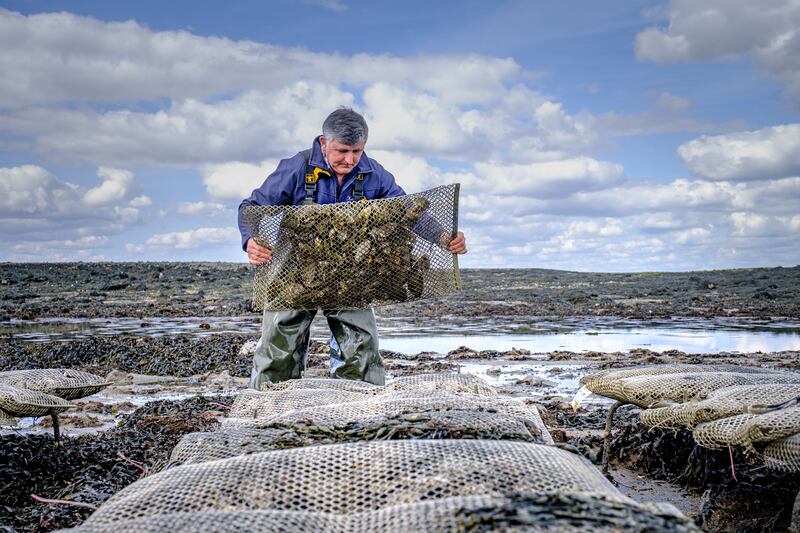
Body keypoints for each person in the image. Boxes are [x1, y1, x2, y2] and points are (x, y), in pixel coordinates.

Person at [238, 108, 467, 389]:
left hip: (348, 274)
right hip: (293, 273)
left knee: (360, 347)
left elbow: (408, 211)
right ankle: (267, 403)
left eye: (357, 151)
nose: (349, 160)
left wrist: (443, 237)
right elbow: (252, 208)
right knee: (278, 346)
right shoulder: (297, 167)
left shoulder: (374, 174)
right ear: (324, 143)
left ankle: (357, 402)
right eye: (342, 151)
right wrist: (250, 241)